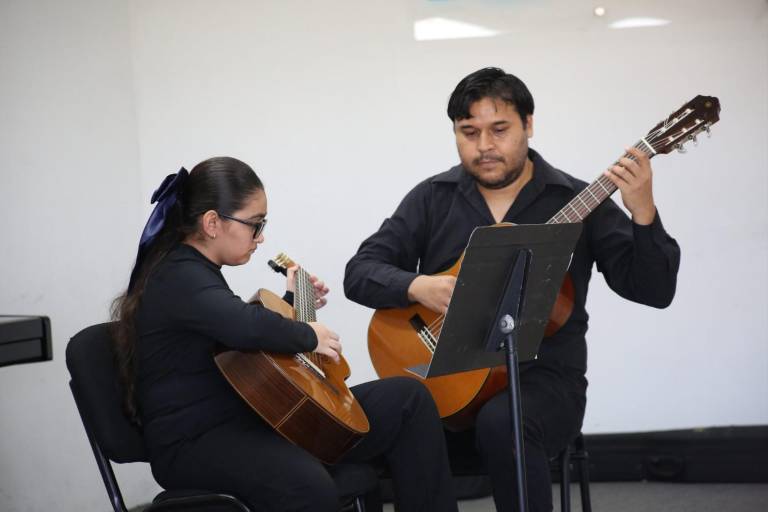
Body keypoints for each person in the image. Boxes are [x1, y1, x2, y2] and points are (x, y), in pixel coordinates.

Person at [344, 67, 681, 511]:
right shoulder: (433, 197)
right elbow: (360, 272)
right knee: (380, 424)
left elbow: (653, 290)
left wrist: (643, 213)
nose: (484, 146)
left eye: (499, 129)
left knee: (504, 421)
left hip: (544, 385)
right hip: (444, 383)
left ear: (529, 124)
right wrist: (417, 286)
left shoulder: (578, 199)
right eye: (469, 132)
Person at [111, 156, 458, 512]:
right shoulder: (177, 274)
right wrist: (309, 334)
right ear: (213, 222)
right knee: (308, 484)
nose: (261, 238)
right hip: (194, 443)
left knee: (407, 400)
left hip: (248, 419)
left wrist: (294, 301)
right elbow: (243, 324)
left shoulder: (199, 273)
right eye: (254, 225)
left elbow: (237, 332)